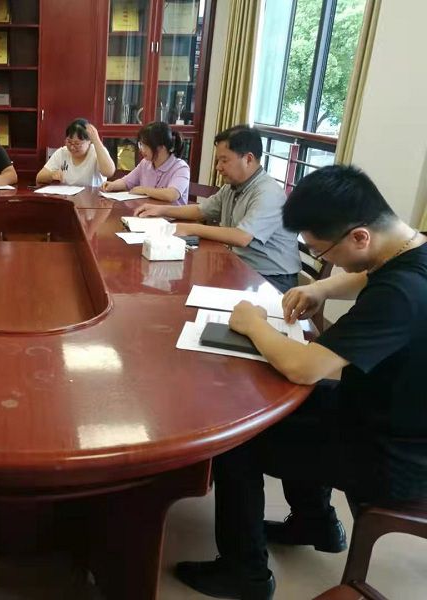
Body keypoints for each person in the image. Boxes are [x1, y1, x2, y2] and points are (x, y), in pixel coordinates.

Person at [174, 165, 427, 599]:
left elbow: (305, 367)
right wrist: (322, 290)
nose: (329, 261)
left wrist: (253, 323)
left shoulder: (401, 295)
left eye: (322, 250)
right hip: (386, 411)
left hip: (395, 455)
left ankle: (245, 574)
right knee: (294, 406)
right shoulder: (410, 247)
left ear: (359, 236)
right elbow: (371, 272)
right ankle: (317, 524)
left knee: (238, 439)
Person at [134, 125, 300, 292]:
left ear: (248, 159)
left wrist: (190, 228)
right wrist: (160, 210)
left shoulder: (268, 192)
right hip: (239, 267)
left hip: (270, 278)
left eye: (224, 160)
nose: (218, 167)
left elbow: (242, 237)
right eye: (217, 161)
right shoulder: (232, 187)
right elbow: (201, 210)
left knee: (185, 288)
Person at [102, 121, 190, 204]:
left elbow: (172, 195)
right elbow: (127, 182)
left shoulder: (180, 168)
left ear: (161, 148)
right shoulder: (145, 163)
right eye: (141, 144)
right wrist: (113, 185)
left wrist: (144, 190)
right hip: (147, 211)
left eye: (146, 146)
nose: (141, 149)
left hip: (170, 215)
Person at [36, 119, 115, 187]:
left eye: (77, 144)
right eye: (69, 142)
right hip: (67, 197)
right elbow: (39, 178)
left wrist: (96, 140)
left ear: (89, 141)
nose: (72, 147)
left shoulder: (97, 151)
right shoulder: (62, 153)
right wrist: (52, 175)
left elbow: (109, 172)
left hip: (92, 198)